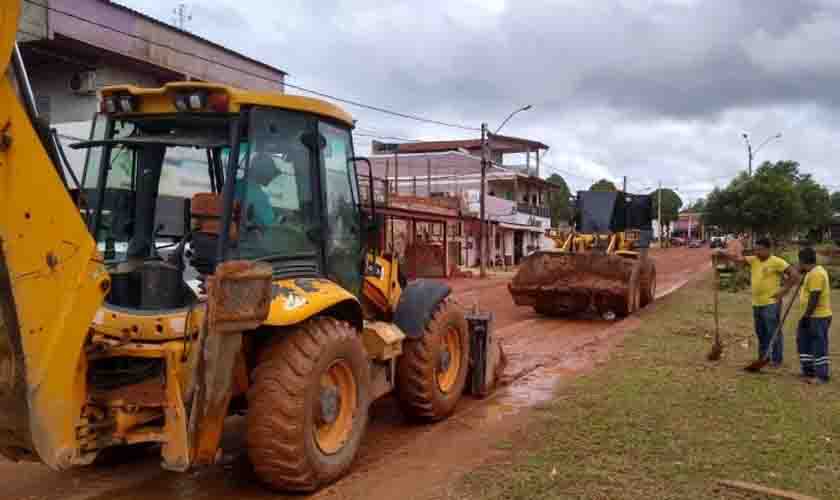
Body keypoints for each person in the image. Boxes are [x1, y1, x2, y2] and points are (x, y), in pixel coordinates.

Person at [714, 237, 799, 366]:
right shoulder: (753, 260)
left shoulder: (777, 262)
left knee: (772, 330)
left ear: (767, 249)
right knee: (760, 332)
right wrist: (721, 253)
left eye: (759, 249)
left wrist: (784, 290)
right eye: (756, 249)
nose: (757, 252)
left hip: (771, 303)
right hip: (757, 303)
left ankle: (776, 359)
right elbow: (738, 259)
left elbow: (794, 275)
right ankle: (763, 357)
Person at [796, 247, 832, 384]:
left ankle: (822, 376)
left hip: (817, 317)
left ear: (802, 261)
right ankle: (808, 371)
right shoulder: (811, 272)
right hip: (810, 316)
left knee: (818, 345)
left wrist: (806, 316)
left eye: (799, 262)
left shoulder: (816, 274)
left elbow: (814, 297)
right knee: (803, 342)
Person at [235, 153, 279, 229]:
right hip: (247, 236)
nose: (272, 177)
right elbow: (271, 226)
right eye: (271, 172)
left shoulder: (233, 185)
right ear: (263, 172)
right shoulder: (259, 196)